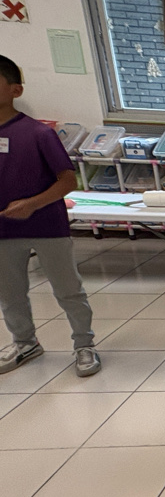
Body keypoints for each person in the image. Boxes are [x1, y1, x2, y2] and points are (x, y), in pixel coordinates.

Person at [0, 54, 101, 377]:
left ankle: (84, 344)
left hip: (47, 226)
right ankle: (25, 342)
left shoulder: (37, 133)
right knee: (10, 293)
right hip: (3, 230)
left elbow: (68, 181)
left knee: (68, 289)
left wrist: (33, 204)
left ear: (15, 90)